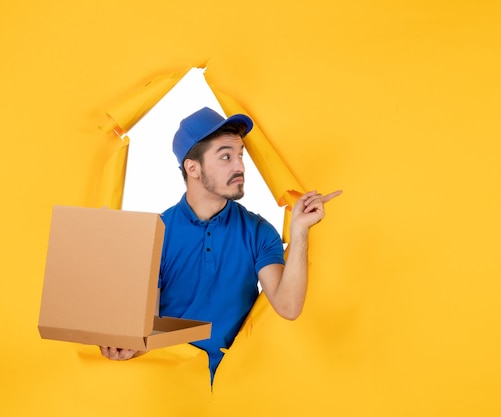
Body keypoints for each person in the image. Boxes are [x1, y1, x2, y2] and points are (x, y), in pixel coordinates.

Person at [100, 107, 341, 382]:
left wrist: (299, 233)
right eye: (226, 156)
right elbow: (147, 327)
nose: (239, 166)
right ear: (193, 168)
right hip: (170, 384)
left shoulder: (259, 232)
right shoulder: (154, 234)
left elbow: (288, 307)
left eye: (240, 156)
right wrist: (127, 345)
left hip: (236, 385)